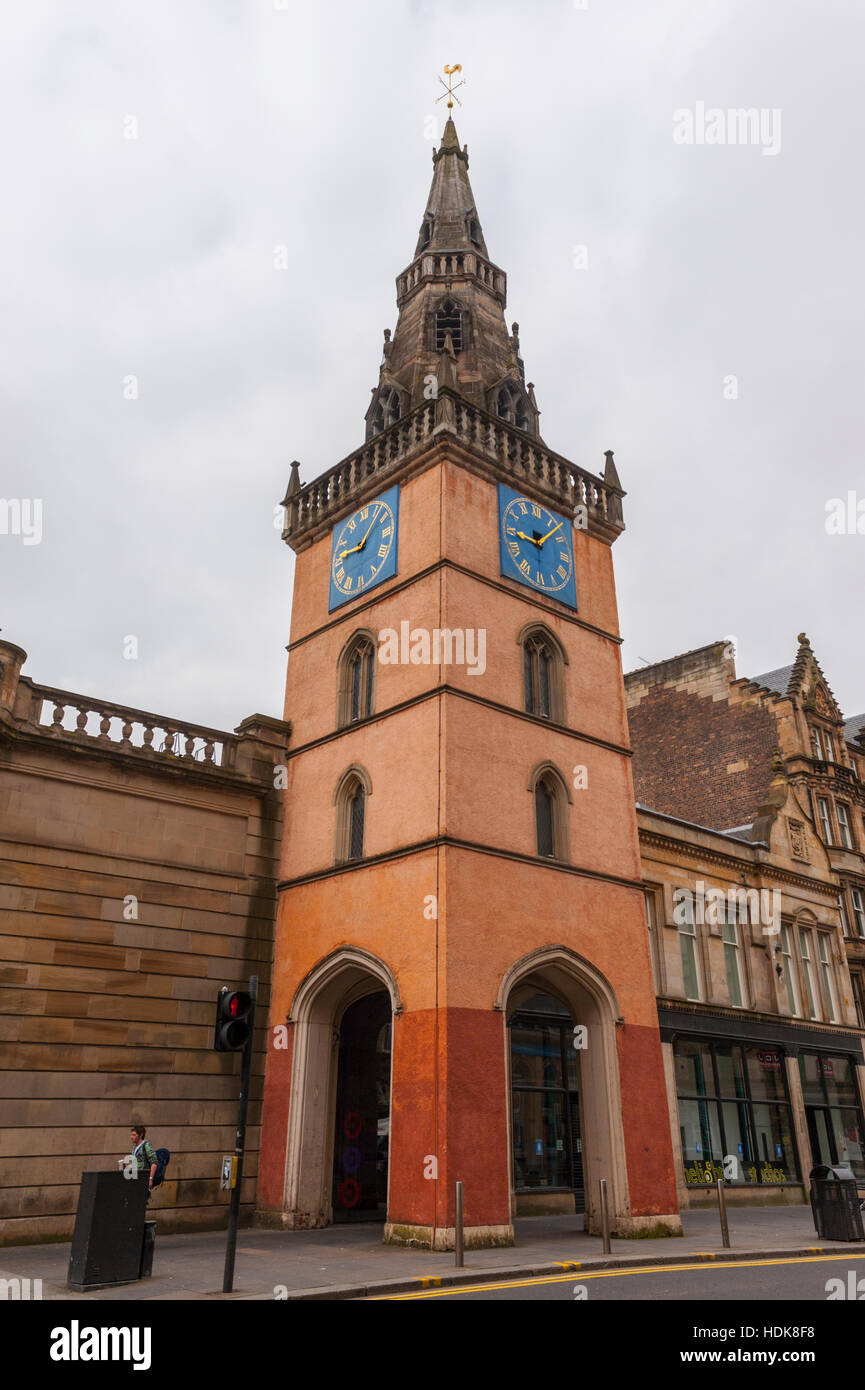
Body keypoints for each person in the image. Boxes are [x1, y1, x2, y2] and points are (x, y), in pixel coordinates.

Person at [118, 1124, 158, 1200]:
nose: (131, 1137)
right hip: (136, 1178)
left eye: (134, 1135)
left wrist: (150, 1179)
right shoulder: (135, 1147)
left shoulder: (146, 1145)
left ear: (140, 1135)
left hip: (143, 1178)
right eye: (131, 1135)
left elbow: (154, 1162)